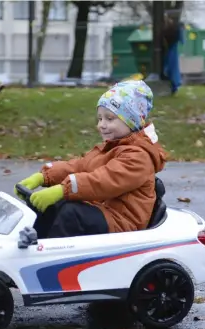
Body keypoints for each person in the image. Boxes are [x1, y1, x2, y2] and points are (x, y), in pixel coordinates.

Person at [14, 80, 166, 239]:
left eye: (110, 118)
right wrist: (44, 177)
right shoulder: (112, 147)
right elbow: (80, 166)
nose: (102, 125)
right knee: (55, 206)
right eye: (100, 118)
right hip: (104, 209)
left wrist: (63, 189)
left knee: (71, 214)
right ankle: (34, 240)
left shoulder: (138, 157)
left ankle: (53, 256)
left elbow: (104, 181)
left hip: (122, 222)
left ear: (132, 121)